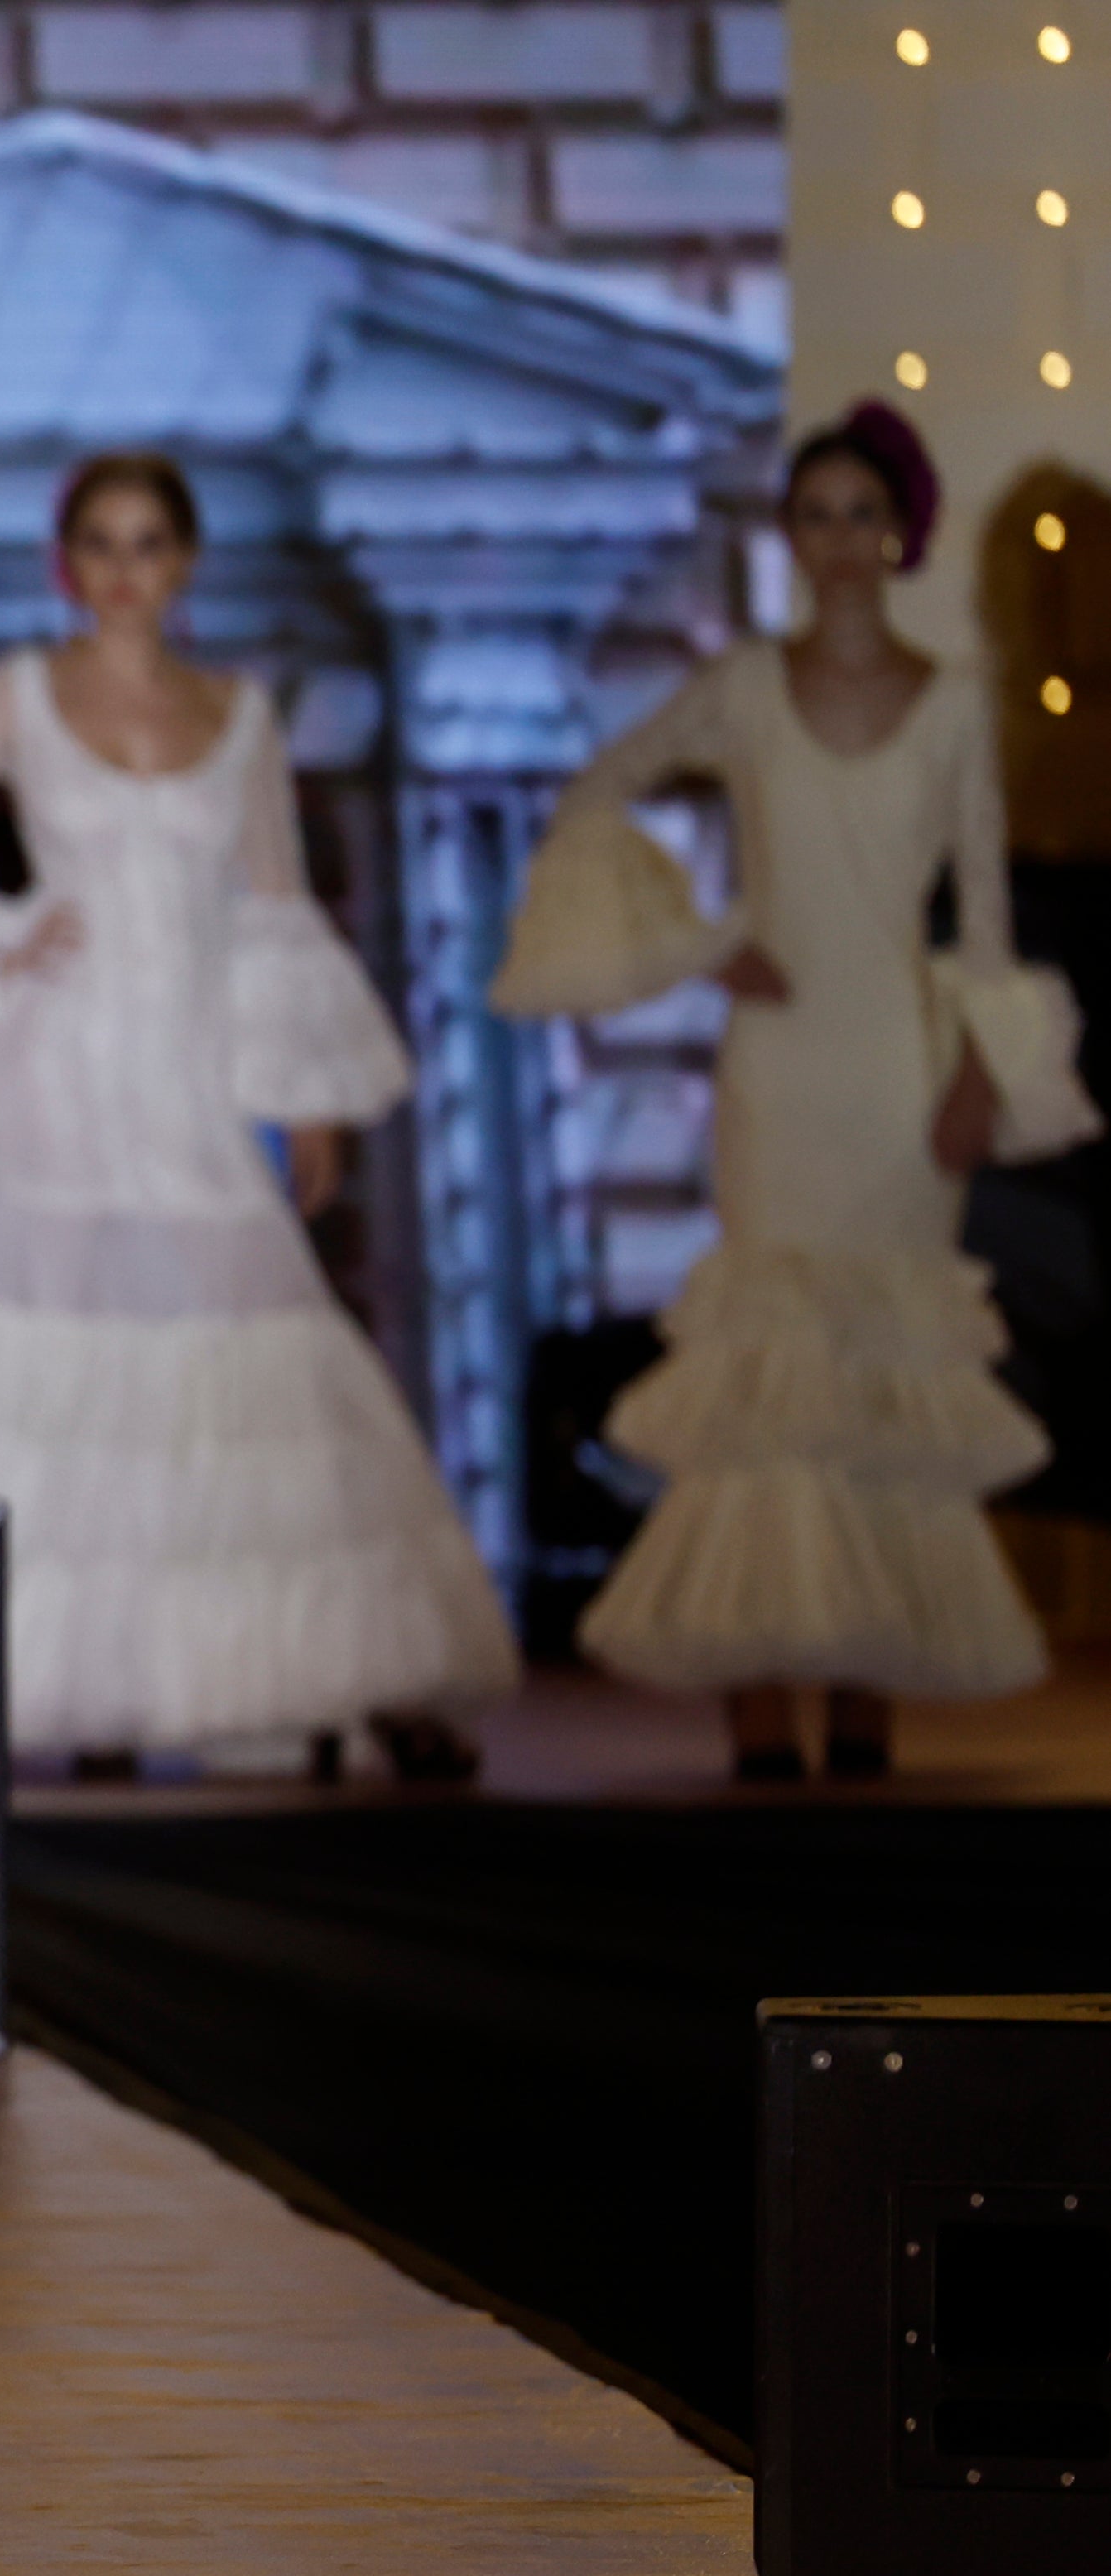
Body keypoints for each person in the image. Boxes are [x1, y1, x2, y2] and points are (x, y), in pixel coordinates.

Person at [0, 451, 518, 1772]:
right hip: (60, 1068)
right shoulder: (19, 693)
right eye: (100, 544)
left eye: (148, 542)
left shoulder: (240, 716)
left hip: (192, 1065)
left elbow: (274, 908)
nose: (124, 570)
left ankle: (251, 1682)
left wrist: (309, 1106)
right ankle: (77, 1697)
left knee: (240, 1342)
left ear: (184, 562)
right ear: (68, 565)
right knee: (63, 1351)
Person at [493, 402, 1097, 1781]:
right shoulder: (742, 691)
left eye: (859, 515)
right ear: (787, 536)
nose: (838, 540)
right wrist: (704, 941)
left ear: (901, 534)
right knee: (775, 1387)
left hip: (899, 1075)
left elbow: (984, 923)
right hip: (778, 1075)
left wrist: (976, 1076)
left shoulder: (954, 706)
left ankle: (867, 1705)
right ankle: (761, 1710)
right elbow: (595, 788)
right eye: (813, 513)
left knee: (880, 1386)